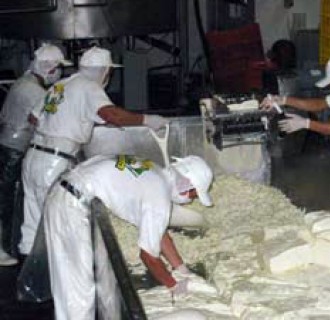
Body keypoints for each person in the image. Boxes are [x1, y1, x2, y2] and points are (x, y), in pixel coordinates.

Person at [19, 46, 169, 256]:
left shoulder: (61, 85)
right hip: (54, 160)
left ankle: (28, 275)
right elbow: (111, 115)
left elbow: (34, 118)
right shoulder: (90, 86)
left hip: (33, 156)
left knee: (34, 220)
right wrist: (147, 120)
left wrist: (72, 122)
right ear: (105, 71)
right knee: (57, 221)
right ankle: (55, 279)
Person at [43, 154, 213, 319]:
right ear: (186, 184)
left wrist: (182, 269)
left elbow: (158, 234)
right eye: (194, 194)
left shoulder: (154, 171)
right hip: (72, 204)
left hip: (67, 191)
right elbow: (148, 256)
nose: (191, 201)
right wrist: (174, 286)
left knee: (74, 283)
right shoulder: (158, 195)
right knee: (77, 290)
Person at [0, 44, 71, 266]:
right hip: (14, 148)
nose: (59, 73)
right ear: (48, 68)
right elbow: (48, 119)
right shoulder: (33, 90)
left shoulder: (25, 82)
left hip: (9, 144)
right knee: (6, 200)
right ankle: (2, 249)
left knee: (9, 198)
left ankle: (12, 245)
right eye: (58, 68)